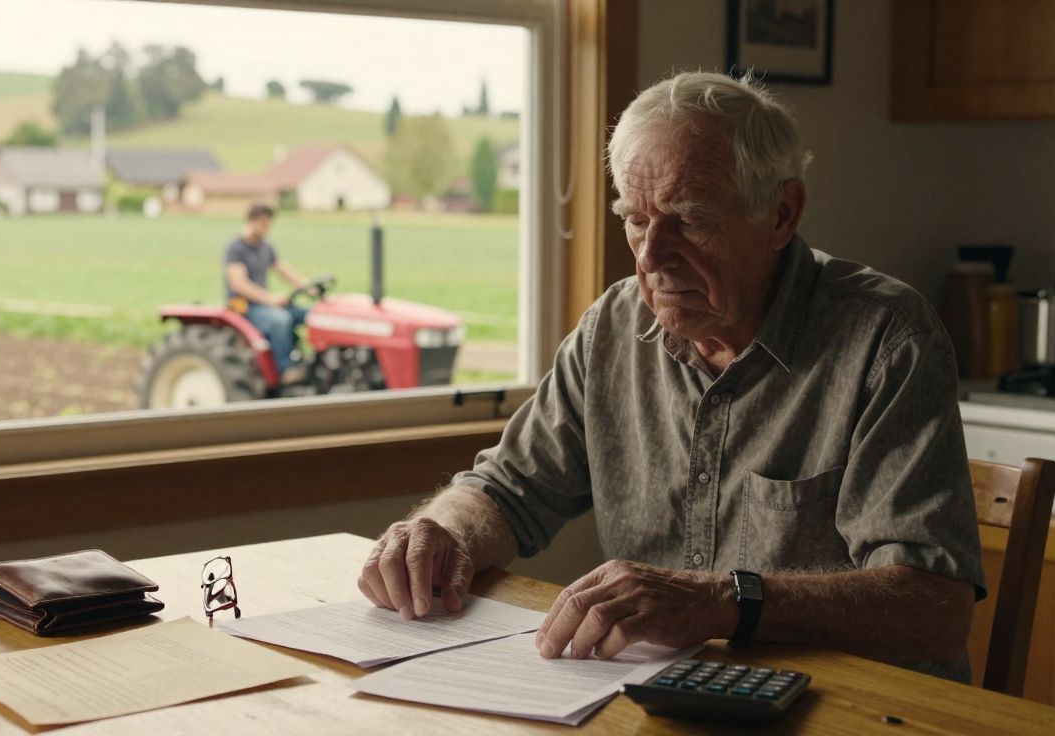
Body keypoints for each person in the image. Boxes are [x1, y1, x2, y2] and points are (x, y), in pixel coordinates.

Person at [357, 71, 987, 683]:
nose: (651, 257)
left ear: (781, 214)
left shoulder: (886, 338)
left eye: (690, 219)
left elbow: (932, 609)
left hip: (854, 708)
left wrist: (722, 600)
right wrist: (442, 532)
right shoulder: (613, 327)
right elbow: (509, 489)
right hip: (670, 697)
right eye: (635, 219)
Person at [224, 204, 312, 384]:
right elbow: (239, 283)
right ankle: (285, 370)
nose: (266, 229)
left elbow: (283, 270)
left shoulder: (265, 247)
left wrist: (309, 287)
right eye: (262, 224)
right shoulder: (236, 248)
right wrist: (270, 299)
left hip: (264, 304)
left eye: (268, 224)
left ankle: (311, 360)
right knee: (280, 320)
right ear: (250, 221)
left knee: (308, 315)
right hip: (243, 306)